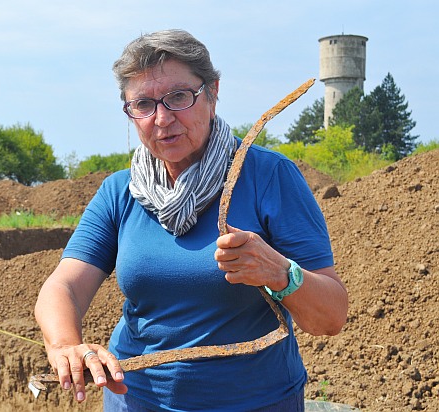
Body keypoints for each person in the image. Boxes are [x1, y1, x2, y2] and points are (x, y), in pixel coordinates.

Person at [35, 29, 348, 411]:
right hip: (135, 402)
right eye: (143, 104)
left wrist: (279, 272)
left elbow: (330, 317)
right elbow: (63, 287)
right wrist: (66, 344)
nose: (162, 118)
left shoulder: (269, 176)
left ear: (213, 93)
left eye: (179, 97)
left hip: (255, 402)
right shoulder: (122, 191)